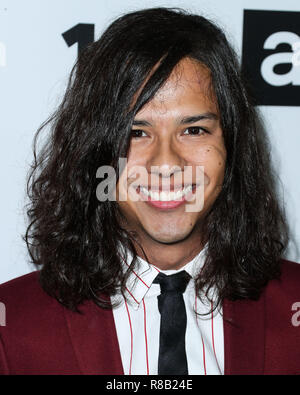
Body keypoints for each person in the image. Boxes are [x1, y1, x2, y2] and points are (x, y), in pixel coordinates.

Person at [0, 7, 300, 376]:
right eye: (136, 133)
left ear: (233, 147)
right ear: (96, 152)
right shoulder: (12, 327)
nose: (165, 163)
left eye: (194, 130)